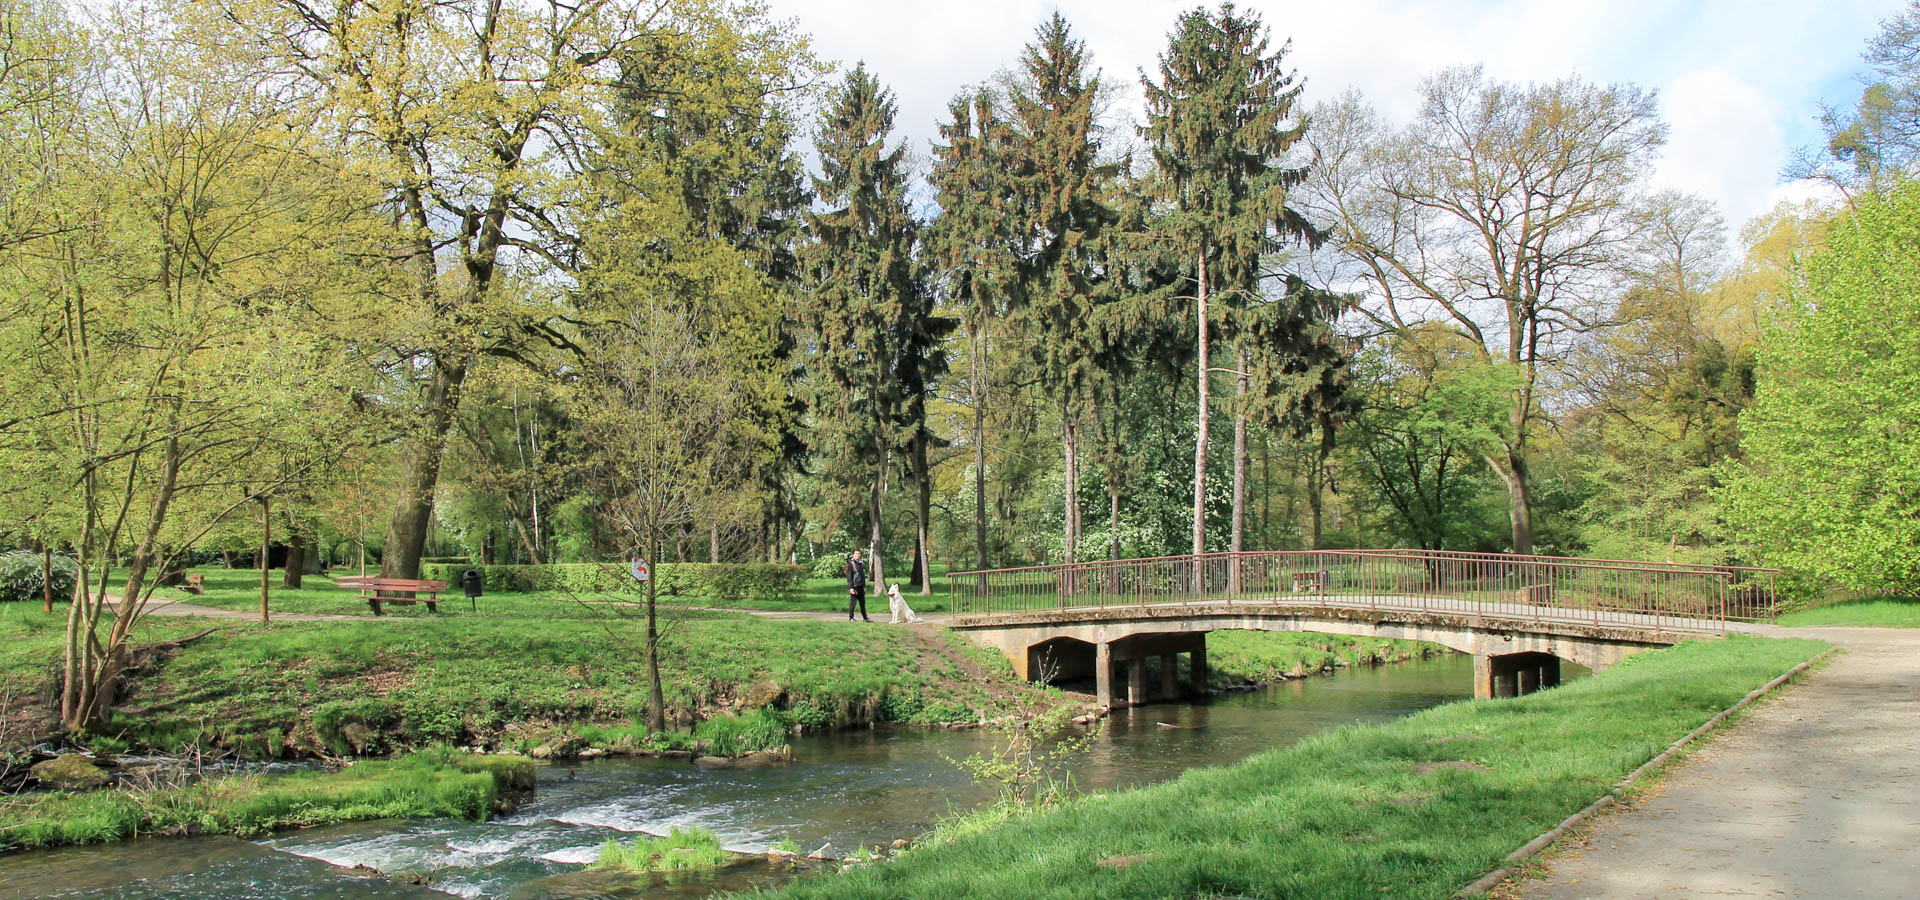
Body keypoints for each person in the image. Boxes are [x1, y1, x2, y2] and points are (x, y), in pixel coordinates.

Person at [845, 550, 871, 622]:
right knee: (853, 603)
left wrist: (864, 586)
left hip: (861, 587)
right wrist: (851, 588)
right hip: (854, 586)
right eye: (856, 553)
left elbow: (862, 576)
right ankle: (851, 617)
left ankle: (865, 618)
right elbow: (849, 577)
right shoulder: (851, 564)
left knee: (862, 604)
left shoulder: (860, 563)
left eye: (859, 553)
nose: (858, 555)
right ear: (853, 554)